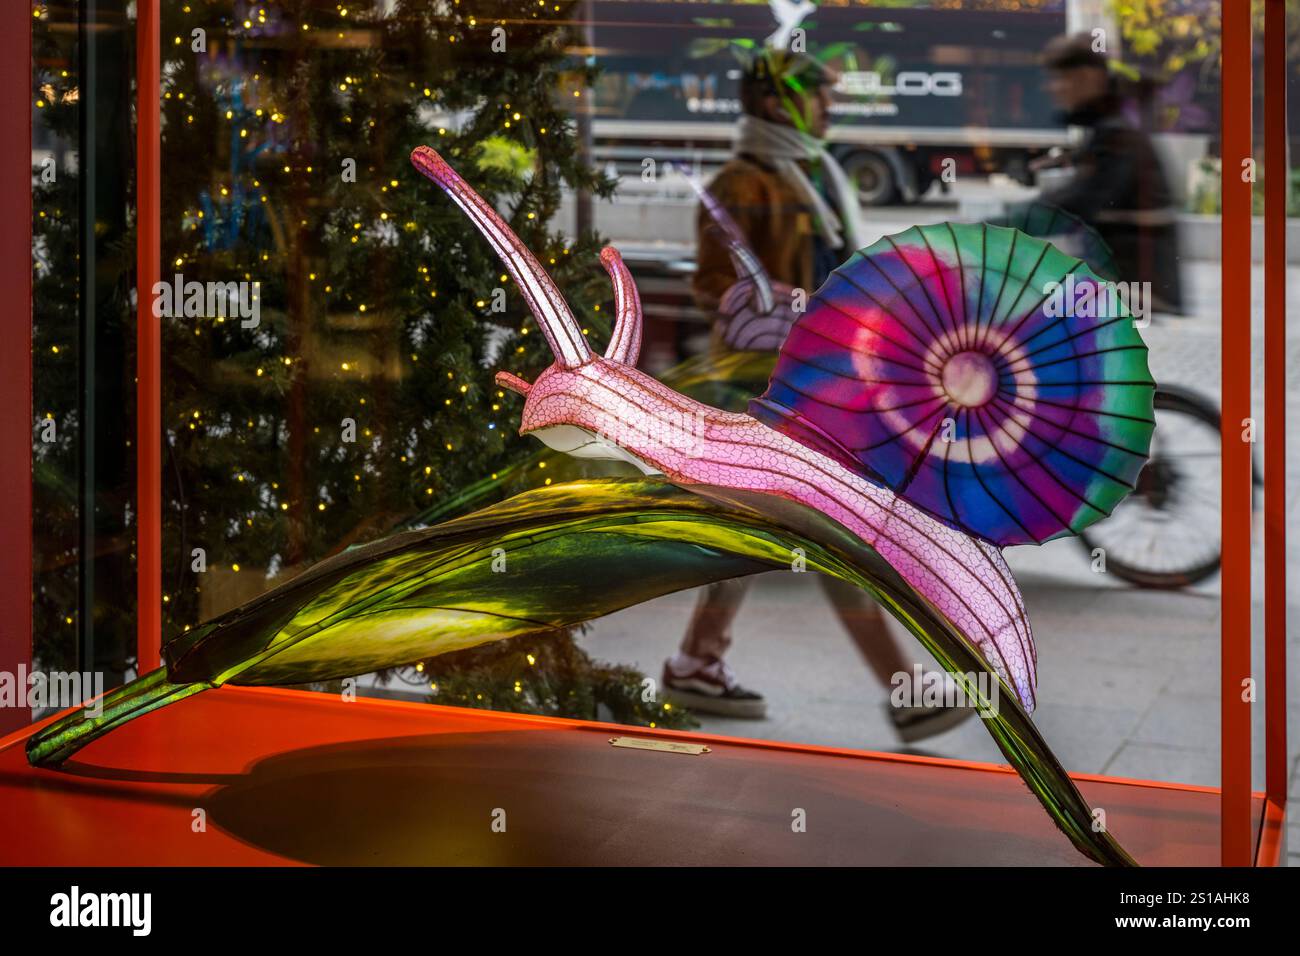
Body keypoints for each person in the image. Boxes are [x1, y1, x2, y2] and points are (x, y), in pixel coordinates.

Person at [660, 49, 974, 745]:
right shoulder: (742, 181)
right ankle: (905, 691)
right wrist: (786, 311)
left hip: (824, 386)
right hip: (771, 389)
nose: (829, 108)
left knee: (780, 531)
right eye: (818, 96)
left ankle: (695, 661)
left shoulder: (816, 172)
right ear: (777, 104)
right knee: (833, 535)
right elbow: (717, 288)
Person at [1033, 33, 1184, 314]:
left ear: (1087, 78)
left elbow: (1080, 199)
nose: (1053, 88)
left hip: (1138, 283)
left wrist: (1002, 224)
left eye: (1060, 78)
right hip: (1120, 273)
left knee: (1028, 312)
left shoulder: (1116, 134)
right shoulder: (1107, 129)